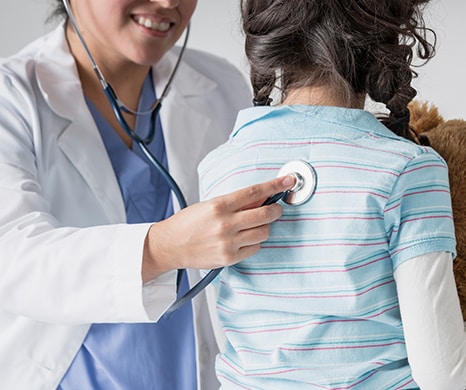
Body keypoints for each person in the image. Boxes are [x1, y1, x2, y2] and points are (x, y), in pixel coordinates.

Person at [0, 0, 297, 389]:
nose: (167, 2)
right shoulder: (12, 97)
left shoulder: (222, 86)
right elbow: (12, 258)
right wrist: (161, 248)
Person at [198, 0, 466, 388]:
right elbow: (444, 375)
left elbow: (230, 336)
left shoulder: (219, 168)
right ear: (384, 40)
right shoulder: (407, 168)